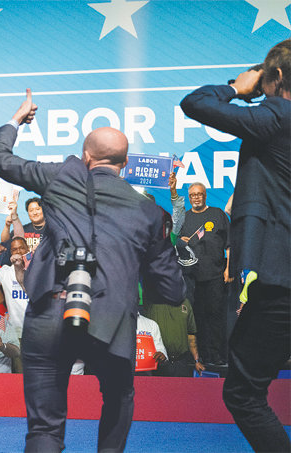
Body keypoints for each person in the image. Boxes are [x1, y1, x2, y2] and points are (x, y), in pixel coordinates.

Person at [0, 89, 184, 452]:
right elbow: (173, 291)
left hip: (49, 314)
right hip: (110, 323)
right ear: (124, 164)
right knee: (119, 396)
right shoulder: (149, 213)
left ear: (86, 156)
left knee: (44, 429)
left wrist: (18, 119)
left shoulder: (62, 176)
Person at [180, 39, 291, 452]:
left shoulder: (277, 115)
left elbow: (195, 103)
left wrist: (238, 88)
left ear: (274, 76)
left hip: (281, 283)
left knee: (242, 394)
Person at [176, 182, 230, 366]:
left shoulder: (218, 214)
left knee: (215, 315)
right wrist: (180, 242)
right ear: (189, 197)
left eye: (199, 194)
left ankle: (216, 355)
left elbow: (229, 244)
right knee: (196, 317)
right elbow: (175, 244)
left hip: (215, 274)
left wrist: (228, 269)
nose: (196, 198)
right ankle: (198, 357)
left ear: (205, 195)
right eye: (193, 195)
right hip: (191, 277)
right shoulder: (184, 217)